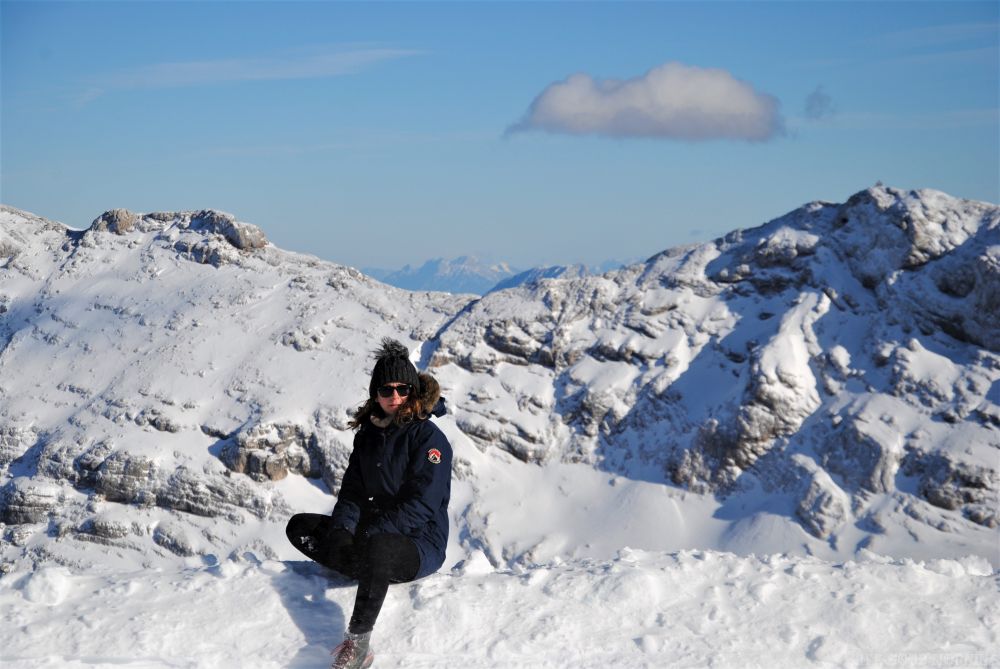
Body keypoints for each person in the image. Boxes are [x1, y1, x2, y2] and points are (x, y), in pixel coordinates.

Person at [285, 338, 453, 669]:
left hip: (419, 542)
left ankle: (359, 645)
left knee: (379, 549)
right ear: (375, 393)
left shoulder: (428, 438)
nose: (394, 397)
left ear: (413, 391)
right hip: (373, 533)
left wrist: (369, 533)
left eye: (402, 389)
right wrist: (343, 530)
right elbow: (353, 492)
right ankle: (367, 568)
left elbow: (423, 504)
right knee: (301, 526)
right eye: (386, 390)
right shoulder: (368, 436)